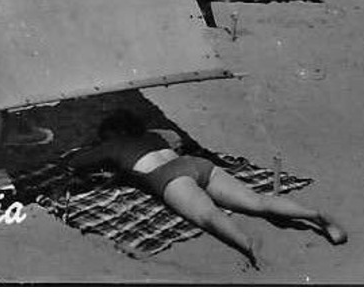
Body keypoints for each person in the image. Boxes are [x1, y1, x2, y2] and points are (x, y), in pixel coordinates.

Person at [63, 110, 347, 268]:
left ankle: (250, 247)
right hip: (194, 163)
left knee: (209, 216)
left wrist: (103, 155)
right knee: (258, 201)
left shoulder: (112, 146)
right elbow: (175, 139)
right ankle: (315, 215)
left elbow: (75, 163)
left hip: (168, 177)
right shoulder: (154, 135)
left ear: (112, 133)